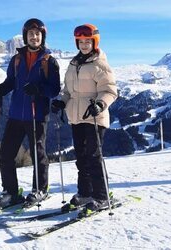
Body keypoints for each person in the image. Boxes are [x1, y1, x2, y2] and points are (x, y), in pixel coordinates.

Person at [0, 18, 61, 211]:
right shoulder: (17, 59)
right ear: (25, 37)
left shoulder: (49, 61)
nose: (34, 37)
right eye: (31, 34)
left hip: (37, 115)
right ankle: (11, 192)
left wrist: (39, 89)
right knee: (5, 154)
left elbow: (54, 90)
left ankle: (40, 189)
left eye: (38, 34)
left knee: (38, 154)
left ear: (42, 37)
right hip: (16, 114)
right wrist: (1, 89)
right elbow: (11, 81)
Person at [51, 24, 117, 213]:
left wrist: (100, 104)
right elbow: (68, 91)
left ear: (94, 42)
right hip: (76, 117)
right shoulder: (74, 64)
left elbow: (110, 91)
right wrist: (61, 102)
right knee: (81, 158)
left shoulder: (100, 64)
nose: (84, 45)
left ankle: (101, 196)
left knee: (93, 157)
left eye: (88, 41)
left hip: (94, 116)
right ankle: (85, 193)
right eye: (81, 42)